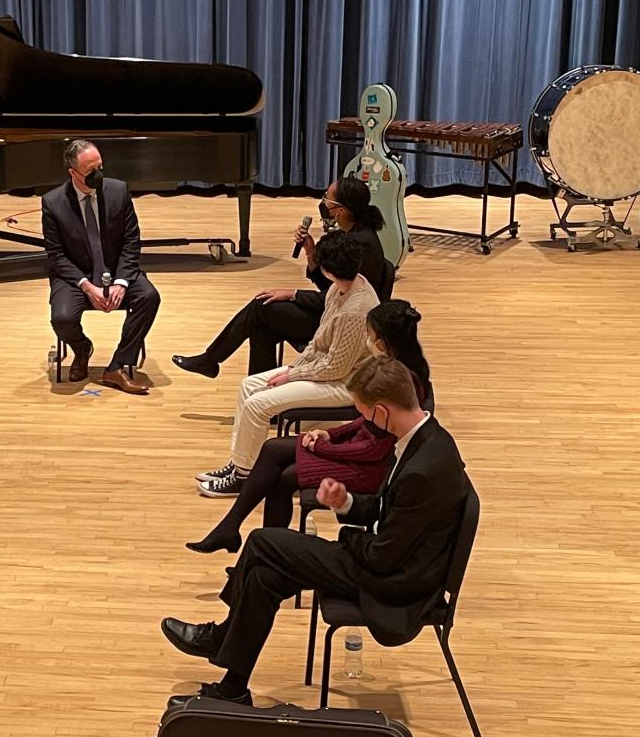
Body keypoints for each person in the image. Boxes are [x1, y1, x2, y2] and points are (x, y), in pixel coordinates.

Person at [161, 357, 467, 706]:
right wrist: (347, 503)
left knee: (263, 542)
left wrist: (345, 536)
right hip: (390, 559)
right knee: (263, 577)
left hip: (395, 583)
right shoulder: (425, 438)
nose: (364, 421)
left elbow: (383, 555)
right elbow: (390, 511)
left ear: (382, 411)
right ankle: (232, 690)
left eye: (364, 413)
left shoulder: (422, 469)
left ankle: (220, 637)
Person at [186, 300, 430, 553]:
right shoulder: (392, 366)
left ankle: (262, 550)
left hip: (373, 467)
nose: (366, 341)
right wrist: (330, 434)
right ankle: (231, 529)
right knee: (272, 449)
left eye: (369, 336)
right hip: (360, 449)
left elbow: (375, 450)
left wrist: (324, 447)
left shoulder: (403, 378)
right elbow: (365, 422)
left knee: (283, 478)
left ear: (382, 340)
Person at [194, 232, 380, 498]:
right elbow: (318, 343)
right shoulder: (339, 289)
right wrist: (293, 369)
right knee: (249, 386)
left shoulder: (355, 310)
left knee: (259, 404)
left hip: (346, 384)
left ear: (327, 270)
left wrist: (294, 375)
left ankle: (245, 478)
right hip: (324, 370)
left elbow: (336, 368)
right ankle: (241, 465)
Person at [172, 177, 386, 378]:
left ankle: (211, 360)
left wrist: (292, 294)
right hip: (332, 309)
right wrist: (311, 253)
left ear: (340, 211)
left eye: (326, 198)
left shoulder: (361, 243)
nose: (323, 202)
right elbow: (333, 285)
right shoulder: (354, 234)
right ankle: (261, 396)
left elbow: (336, 298)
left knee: (261, 306)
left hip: (341, 323)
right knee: (262, 329)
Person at [43, 139, 161, 395]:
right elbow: (56, 255)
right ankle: (82, 348)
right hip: (76, 275)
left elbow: (132, 241)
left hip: (117, 270)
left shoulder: (118, 191)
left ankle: (117, 366)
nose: (99, 175)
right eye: (90, 171)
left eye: (100, 166)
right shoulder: (53, 202)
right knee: (62, 319)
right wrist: (86, 286)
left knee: (149, 297)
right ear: (72, 173)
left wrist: (122, 281)